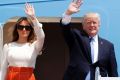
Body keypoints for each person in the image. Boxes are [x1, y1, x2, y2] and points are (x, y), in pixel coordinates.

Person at [60, 0, 118, 80]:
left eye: (94, 22)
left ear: (99, 25)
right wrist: (68, 13)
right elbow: (65, 29)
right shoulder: (76, 37)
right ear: (83, 26)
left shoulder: (108, 46)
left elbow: (113, 72)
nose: (92, 25)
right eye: (88, 22)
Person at [0, 3, 45, 80]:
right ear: (17, 29)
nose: (24, 29)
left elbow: (41, 36)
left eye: (27, 27)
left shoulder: (34, 46)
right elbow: (3, 69)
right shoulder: (8, 46)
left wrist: (33, 18)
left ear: (31, 30)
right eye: (21, 27)